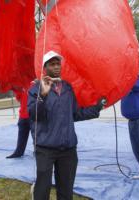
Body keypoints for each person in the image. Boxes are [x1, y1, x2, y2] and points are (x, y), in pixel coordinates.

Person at [28, 51, 105, 200]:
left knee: (66, 189)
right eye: (52, 64)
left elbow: (75, 114)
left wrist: (97, 108)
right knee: (42, 188)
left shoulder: (68, 88)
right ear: (45, 67)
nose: (56, 67)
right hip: (45, 148)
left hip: (68, 148)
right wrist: (43, 95)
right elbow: (34, 115)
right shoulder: (36, 88)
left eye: (58, 64)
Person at [7, 89, 31, 158]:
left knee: (36, 136)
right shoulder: (21, 86)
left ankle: (38, 152)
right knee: (21, 135)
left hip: (33, 115)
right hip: (23, 115)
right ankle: (19, 152)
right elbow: (19, 98)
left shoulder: (35, 84)